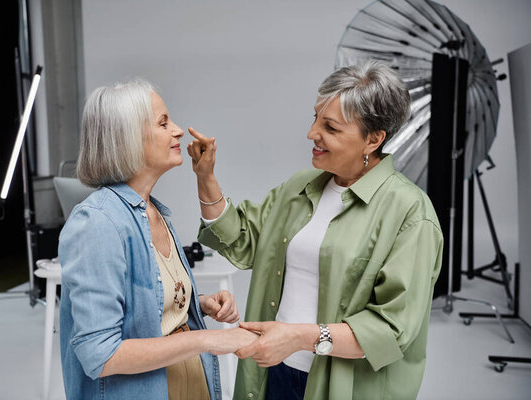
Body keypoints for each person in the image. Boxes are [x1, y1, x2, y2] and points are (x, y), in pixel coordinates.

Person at [186, 61, 444, 400]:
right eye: (315, 119)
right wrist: (206, 179)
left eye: (331, 128)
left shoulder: (411, 214)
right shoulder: (300, 186)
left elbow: (392, 330)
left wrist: (297, 337)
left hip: (344, 386)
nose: (312, 134)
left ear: (374, 139)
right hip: (275, 370)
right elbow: (245, 241)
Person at [59, 79, 258, 400]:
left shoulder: (155, 212)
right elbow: (100, 354)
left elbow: (144, 307)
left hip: (189, 380)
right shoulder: (96, 222)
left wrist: (196, 303)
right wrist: (205, 340)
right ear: (126, 138)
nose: (178, 131)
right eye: (164, 123)